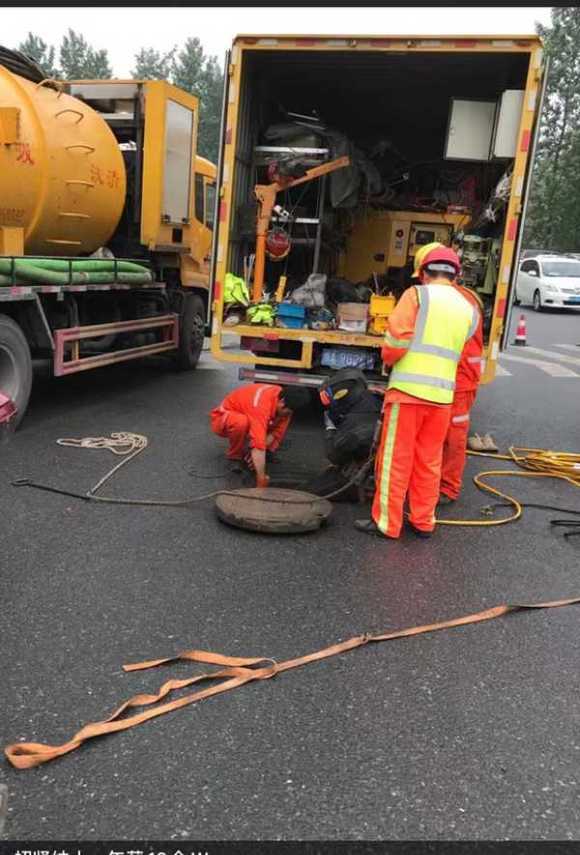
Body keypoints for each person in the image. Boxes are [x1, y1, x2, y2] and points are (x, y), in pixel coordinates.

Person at [355, 245, 478, 540]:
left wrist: (388, 361)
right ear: (454, 275)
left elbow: (396, 344)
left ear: (424, 273)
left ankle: (387, 522)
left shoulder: (417, 295)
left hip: (408, 394)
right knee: (429, 461)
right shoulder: (468, 308)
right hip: (442, 399)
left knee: (395, 460)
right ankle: (423, 521)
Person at [412, 243, 485, 505]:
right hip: (449, 378)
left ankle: (447, 488)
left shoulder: (454, 300)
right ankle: (434, 485)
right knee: (436, 436)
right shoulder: (460, 298)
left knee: (452, 437)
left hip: (458, 379)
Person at [210, 383, 310, 487]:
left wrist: (254, 454)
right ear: (281, 402)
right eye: (288, 412)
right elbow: (258, 445)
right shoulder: (261, 405)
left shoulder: (286, 399)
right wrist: (261, 478)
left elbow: (275, 433)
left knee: (270, 436)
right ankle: (235, 456)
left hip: (253, 414)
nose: (288, 416)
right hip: (223, 418)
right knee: (241, 423)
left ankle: (255, 456)